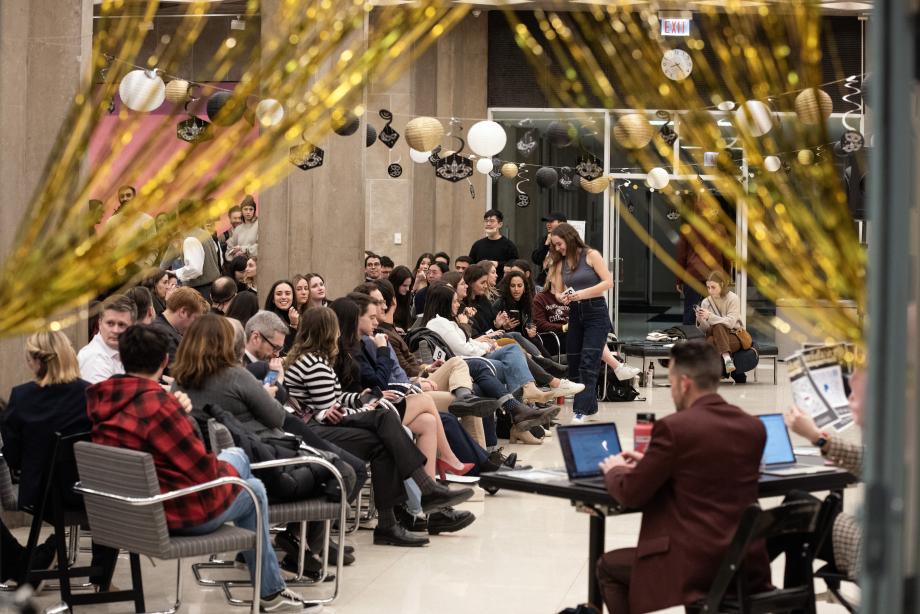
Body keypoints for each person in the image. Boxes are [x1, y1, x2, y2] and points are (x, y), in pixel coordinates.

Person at [86, 325, 318, 612]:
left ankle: (265, 580)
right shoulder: (159, 408)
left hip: (127, 512)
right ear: (163, 362)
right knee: (253, 487)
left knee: (236, 455)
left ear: (121, 358)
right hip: (169, 514)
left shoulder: (100, 398)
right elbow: (204, 474)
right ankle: (270, 590)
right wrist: (183, 418)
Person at [596, 340, 769, 614]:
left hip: (694, 565)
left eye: (673, 382)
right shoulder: (753, 426)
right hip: (744, 561)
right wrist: (656, 463)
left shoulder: (674, 428)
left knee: (608, 566)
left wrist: (615, 469)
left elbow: (631, 493)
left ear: (685, 384)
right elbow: (708, 468)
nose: (672, 391)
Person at [283, 307, 476, 546]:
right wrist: (366, 408)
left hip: (319, 422)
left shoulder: (315, 359)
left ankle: (389, 524)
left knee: (384, 442)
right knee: (384, 418)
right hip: (314, 429)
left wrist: (361, 398)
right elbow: (329, 413)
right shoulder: (314, 363)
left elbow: (334, 399)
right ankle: (426, 489)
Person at [1, 331, 119, 590]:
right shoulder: (91, 394)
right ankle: (101, 579)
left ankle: (42, 556)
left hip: (40, 495)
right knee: (111, 498)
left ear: (34, 360)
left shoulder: (21, 397)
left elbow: (12, 453)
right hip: (89, 493)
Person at [421, 284, 563, 424]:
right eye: (454, 301)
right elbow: (463, 348)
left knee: (512, 349)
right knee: (512, 361)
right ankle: (523, 408)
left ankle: (525, 403)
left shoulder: (447, 321)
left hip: (471, 359)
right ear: (444, 303)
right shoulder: (438, 323)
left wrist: (487, 345)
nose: (458, 305)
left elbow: (468, 341)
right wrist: (484, 345)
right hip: (466, 363)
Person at [776, 369, 864, 583]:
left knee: (796, 516)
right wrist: (819, 438)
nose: (850, 397)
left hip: (869, 548)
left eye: (857, 392)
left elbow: (869, 461)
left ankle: (733, 584)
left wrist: (818, 438)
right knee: (797, 504)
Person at [548, 222, 614, 420]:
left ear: (569, 238)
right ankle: (589, 405)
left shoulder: (591, 255)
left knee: (589, 361)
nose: (558, 248)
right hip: (575, 312)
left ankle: (581, 410)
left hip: (596, 311)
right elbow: (557, 292)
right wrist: (563, 297)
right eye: (555, 245)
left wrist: (580, 294)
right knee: (575, 361)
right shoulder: (561, 263)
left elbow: (608, 282)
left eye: (559, 244)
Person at [676, 196, 732, 325]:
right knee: (715, 313)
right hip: (715, 276)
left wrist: (679, 280)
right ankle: (713, 342)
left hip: (693, 275)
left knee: (691, 312)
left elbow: (681, 256)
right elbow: (726, 255)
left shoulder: (688, 228)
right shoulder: (720, 229)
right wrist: (727, 276)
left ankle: (691, 342)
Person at [78, 294, 137, 384]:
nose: (115, 330)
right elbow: (103, 397)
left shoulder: (122, 351)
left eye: (121, 325)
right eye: (110, 323)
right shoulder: (95, 358)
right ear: (100, 323)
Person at [173, 200, 222, 301]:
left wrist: (175, 273)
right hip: (213, 288)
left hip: (201, 293)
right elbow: (218, 259)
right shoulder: (205, 234)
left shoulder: (191, 239)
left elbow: (195, 269)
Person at [696, 270, 743, 374]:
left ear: (722, 284)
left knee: (716, 331)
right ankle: (727, 360)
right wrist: (700, 320)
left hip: (733, 335)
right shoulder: (706, 302)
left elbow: (730, 323)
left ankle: (717, 367)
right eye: (708, 287)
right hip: (715, 335)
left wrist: (710, 316)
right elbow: (706, 330)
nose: (710, 291)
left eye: (713, 287)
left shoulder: (733, 298)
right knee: (716, 328)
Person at [151, 286, 210, 366]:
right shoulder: (164, 336)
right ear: (183, 312)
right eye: (195, 319)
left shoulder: (158, 325)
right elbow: (178, 374)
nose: (195, 326)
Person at [468, 209, 518, 280]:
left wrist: (497, 264)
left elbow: (515, 266)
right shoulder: (477, 245)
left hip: (502, 285)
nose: (488, 224)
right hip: (481, 285)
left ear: (500, 224)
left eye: (492, 221)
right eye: (486, 221)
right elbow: (471, 265)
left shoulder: (509, 245)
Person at [531, 212, 567, 285]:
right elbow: (537, 259)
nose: (548, 224)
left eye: (551, 221)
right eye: (547, 222)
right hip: (544, 282)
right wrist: (546, 244)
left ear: (561, 223)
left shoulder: (568, 239)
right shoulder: (545, 238)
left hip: (562, 281)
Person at [264, 280, 299, 352]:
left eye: (288, 293)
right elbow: (284, 350)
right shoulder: (268, 320)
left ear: (293, 297)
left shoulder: (300, 316)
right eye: (279, 294)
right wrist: (293, 326)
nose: (283, 297)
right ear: (273, 299)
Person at [388, 265, 414, 330]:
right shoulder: (386, 298)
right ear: (396, 283)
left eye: (409, 285)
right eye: (404, 285)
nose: (408, 289)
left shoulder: (405, 297)